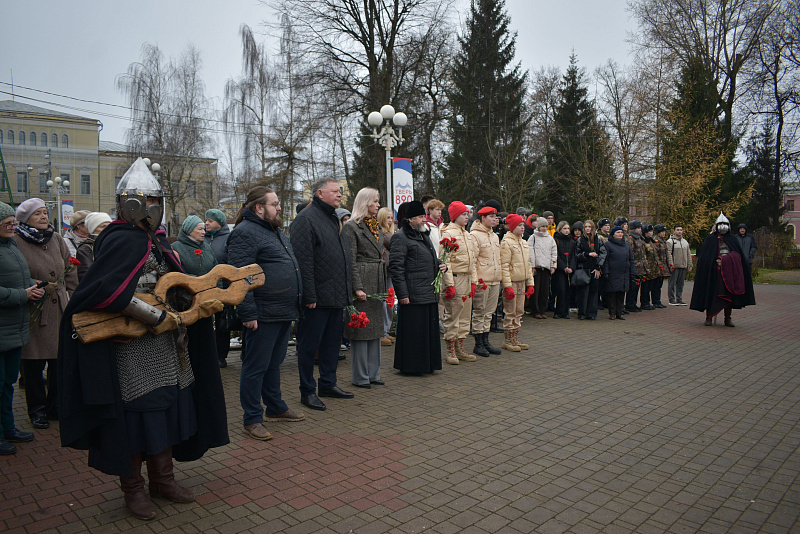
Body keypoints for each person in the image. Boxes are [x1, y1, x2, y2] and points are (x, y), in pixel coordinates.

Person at [58, 157, 228, 520]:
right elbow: (105, 291)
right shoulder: (118, 239)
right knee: (135, 417)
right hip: (131, 345)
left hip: (167, 344)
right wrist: (153, 315)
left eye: (155, 200)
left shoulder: (158, 240)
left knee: (170, 409)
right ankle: (133, 489)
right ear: (128, 203)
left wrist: (190, 301)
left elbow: (174, 283)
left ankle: (163, 480)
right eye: (145, 200)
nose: (151, 208)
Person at [227, 186, 305, 439]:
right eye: (275, 204)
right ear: (259, 207)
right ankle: (252, 418)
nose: (279, 207)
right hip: (262, 312)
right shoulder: (244, 233)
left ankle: (275, 407)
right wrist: (248, 313)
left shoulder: (274, 231)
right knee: (255, 367)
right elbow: (241, 276)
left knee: (274, 363)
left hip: (282, 310)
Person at [14, 198, 77, 429]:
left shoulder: (56, 238)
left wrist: (76, 296)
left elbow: (70, 269)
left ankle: (55, 408)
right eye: (37, 214)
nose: (43, 217)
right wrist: (33, 285)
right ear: (25, 219)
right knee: (33, 364)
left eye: (44, 212)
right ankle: (37, 411)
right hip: (34, 309)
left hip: (58, 308)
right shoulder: (16, 242)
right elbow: (12, 273)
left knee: (58, 363)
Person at [291, 178, 353, 411]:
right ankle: (307, 391)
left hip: (336, 295)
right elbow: (303, 262)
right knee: (309, 346)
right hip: (316, 298)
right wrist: (309, 296)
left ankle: (328, 383)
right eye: (335, 191)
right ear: (319, 193)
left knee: (331, 344)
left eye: (340, 191)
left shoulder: (332, 218)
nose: (340, 195)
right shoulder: (306, 220)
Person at [0, 201, 44, 454]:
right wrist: (21, 294)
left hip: (15, 328)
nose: (10, 226)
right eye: (5, 223)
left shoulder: (12, 245)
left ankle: (8, 427)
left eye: (11, 222)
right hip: (3, 325)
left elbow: (19, 276)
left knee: (8, 383)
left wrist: (33, 284)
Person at [390, 201, 446, 374]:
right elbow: (396, 268)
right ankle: (412, 366)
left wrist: (440, 265)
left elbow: (428, 258)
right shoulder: (400, 237)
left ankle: (428, 364)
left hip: (428, 291)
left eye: (423, 216)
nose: (424, 220)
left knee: (427, 332)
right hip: (413, 294)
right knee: (414, 333)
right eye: (421, 217)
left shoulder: (423, 235)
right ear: (410, 219)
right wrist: (403, 294)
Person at [343, 188, 387, 389]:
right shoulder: (352, 227)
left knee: (375, 328)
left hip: (377, 280)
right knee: (361, 329)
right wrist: (357, 287)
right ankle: (361, 376)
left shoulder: (374, 225)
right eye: (375, 201)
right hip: (363, 281)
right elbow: (350, 260)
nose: (378, 205)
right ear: (365, 202)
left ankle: (373, 373)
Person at [690, 213, 756, 326]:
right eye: (720, 224)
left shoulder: (732, 239)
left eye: (724, 224)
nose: (722, 226)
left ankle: (727, 318)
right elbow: (705, 257)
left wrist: (726, 260)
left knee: (729, 295)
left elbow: (737, 255)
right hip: (713, 273)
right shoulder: (710, 238)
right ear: (716, 225)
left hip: (728, 273)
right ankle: (709, 317)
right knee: (710, 294)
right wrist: (713, 262)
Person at [440, 201, 478, 364]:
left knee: (464, 316)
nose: (467, 217)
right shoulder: (448, 234)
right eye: (463, 214)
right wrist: (449, 285)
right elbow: (445, 261)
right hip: (455, 279)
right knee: (453, 314)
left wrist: (474, 281)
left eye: (467, 214)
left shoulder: (467, 235)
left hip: (467, 278)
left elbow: (473, 260)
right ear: (455, 216)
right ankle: (450, 349)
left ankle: (460, 346)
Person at [470, 205, 502, 357]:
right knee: (479, 311)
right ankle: (478, 343)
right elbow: (473, 260)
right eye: (491, 216)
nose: (494, 219)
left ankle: (486, 340)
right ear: (482, 218)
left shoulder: (494, 236)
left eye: (495, 216)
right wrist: (475, 280)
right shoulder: (475, 235)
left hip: (495, 279)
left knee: (489, 312)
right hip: (483, 280)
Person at [500, 214, 534, 351]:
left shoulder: (524, 242)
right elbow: (505, 265)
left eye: (523, 225)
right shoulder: (506, 242)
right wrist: (507, 286)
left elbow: (528, 264)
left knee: (519, 311)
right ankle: (508, 340)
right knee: (510, 311)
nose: (522, 228)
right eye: (519, 225)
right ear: (513, 227)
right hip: (512, 282)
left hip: (522, 281)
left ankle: (515, 338)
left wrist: (530, 283)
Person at [204, 209, 233, 368]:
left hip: (223, 288)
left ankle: (221, 356)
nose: (206, 223)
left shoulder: (228, 239)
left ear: (219, 222)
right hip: (204, 288)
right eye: (206, 220)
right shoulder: (202, 238)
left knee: (223, 324)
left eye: (210, 220)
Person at [570, 220, 606, 320]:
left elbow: (603, 254)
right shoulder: (580, 240)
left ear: (592, 228)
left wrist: (598, 267)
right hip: (583, 269)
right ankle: (582, 313)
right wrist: (587, 254)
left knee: (594, 292)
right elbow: (576, 254)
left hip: (595, 269)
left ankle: (592, 313)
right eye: (585, 227)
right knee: (583, 293)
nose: (587, 229)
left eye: (589, 227)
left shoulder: (598, 240)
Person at [602, 226, 636, 320]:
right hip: (613, 273)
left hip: (624, 273)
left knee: (621, 294)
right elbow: (606, 260)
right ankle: (612, 313)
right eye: (618, 232)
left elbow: (631, 259)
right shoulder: (608, 245)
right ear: (613, 234)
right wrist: (606, 272)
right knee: (612, 294)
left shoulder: (626, 245)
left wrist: (632, 272)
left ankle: (619, 313)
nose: (620, 234)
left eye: (621, 232)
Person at [528, 217, 557, 319]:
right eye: (542, 226)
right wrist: (532, 266)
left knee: (545, 290)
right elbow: (530, 253)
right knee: (536, 290)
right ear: (538, 227)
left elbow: (554, 253)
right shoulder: (533, 237)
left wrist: (553, 265)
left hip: (546, 268)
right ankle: (535, 310)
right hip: (537, 268)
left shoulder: (550, 239)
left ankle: (542, 309)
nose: (544, 228)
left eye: (545, 226)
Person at [378, 207, 396, 345]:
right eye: (387, 218)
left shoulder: (390, 233)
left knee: (389, 301)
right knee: (384, 302)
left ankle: (386, 330)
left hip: (390, 271)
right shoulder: (383, 234)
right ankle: (382, 332)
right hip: (384, 271)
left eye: (391, 218)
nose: (390, 220)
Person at [75, 212, 113, 280]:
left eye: (109, 226)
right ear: (93, 229)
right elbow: (87, 276)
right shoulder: (85, 249)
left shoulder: (112, 244)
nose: (107, 229)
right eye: (103, 226)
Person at [552, 221, 573, 319]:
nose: (566, 231)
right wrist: (564, 267)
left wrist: (571, 267)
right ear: (560, 229)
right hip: (560, 270)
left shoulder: (572, 241)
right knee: (560, 290)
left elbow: (574, 256)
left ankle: (565, 311)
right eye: (564, 228)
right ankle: (558, 311)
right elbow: (556, 255)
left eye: (568, 228)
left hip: (569, 270)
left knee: (568, 291)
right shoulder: (556, 240)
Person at [666, 224, 692, 305]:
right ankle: (671, 299)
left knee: (680, 284)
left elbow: (688, 253)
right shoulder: (670, 242)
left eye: (681, 230)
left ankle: (679, 298)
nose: (679, 231)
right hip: (675, 266)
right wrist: (671, 264)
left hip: (683, 266)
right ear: (674, 231)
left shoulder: (685, 242)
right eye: (677, 230)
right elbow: (668, 254)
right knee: (672, 283)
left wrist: (690, 264)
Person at [625, 220, 647, 313]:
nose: (640, 230)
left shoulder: (640, 238)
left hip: (641, 266)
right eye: (638, 228)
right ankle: (630, 304)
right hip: (634, 265)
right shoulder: (630, 239)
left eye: (640, 228)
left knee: (637, 286)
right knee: (632, 286)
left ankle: (633, 303)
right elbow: (630, 253)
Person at [651, 224, 670, 308]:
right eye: (662, 232)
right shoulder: (656, 241)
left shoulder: (663, 241)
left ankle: (657, 301)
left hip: (663, 265)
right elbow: (655, 255)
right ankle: (655, 301)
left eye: (664, 232)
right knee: (655, 285)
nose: (664, 233)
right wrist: (659, 265)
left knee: (659, 285)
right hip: (657, 266)